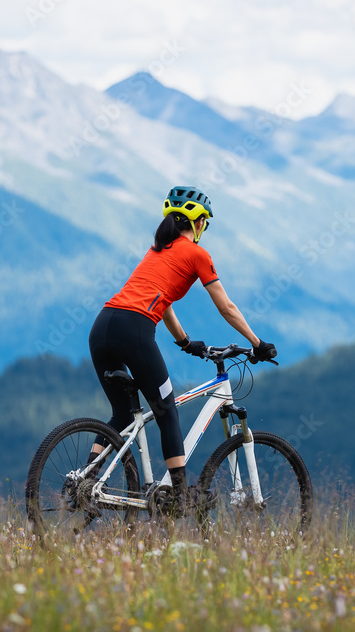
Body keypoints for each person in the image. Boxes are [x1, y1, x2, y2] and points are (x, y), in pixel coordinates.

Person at [87, 186, 276, 515]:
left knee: (121, 415)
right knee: (166, 411)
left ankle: (86, 480)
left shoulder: (157, 250)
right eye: (205, 222)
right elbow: (227, 307)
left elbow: (164, 303)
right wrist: (257, 344)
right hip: (134, 330)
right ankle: (179, 495)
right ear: (199, 222)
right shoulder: (197, 254)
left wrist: (185, 342)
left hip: (102, 326)